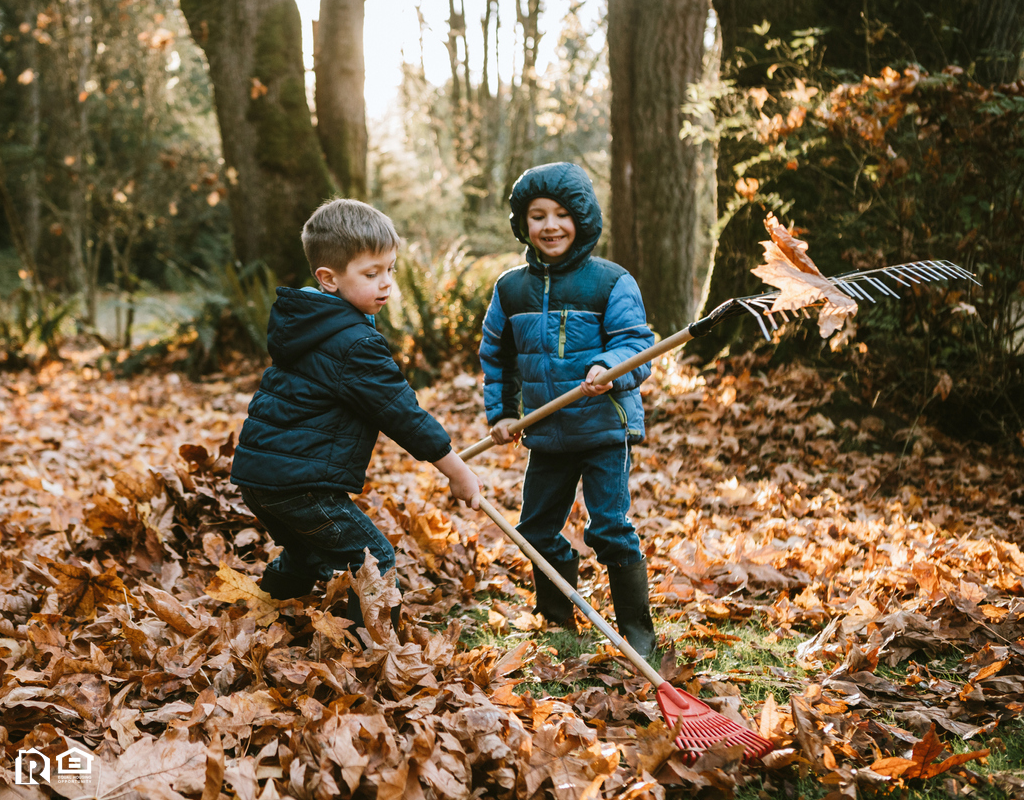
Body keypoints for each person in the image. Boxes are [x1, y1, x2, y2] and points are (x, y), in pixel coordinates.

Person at [231, 198, 482, 633]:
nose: (386, 284)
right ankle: (374, 656)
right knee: (375, 561)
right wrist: (456, 470)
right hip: (299, 486)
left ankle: (262, 613)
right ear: (328, 278)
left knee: (308, 553)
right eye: (371, 274)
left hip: (262, 478)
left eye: (390, 270)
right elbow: (401, 413)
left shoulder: (308, 323)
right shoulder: (353, 343)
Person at [479, 162, 657, 657]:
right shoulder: (511, 289)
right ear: (523, 224)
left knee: (610, 529)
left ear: (582, 219)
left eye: (561, 214)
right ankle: (558, 622)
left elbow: (636, 347)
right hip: (546, 433)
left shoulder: (610, 282)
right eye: (537, 216)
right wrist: (501, 413)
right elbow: (497, 356)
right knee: (534, 530)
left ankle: (639, 635)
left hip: (603, 429)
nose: (550, 225)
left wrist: (609, 368)